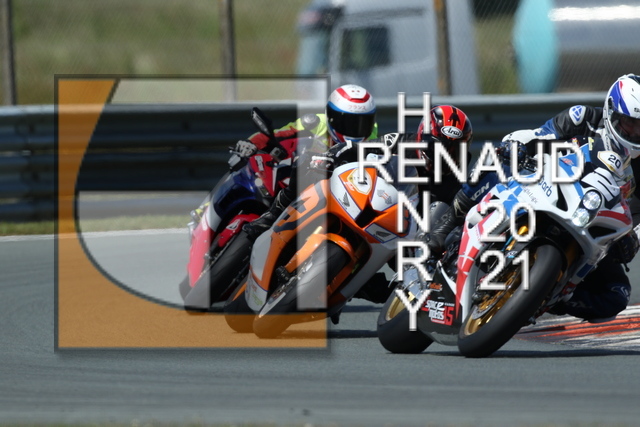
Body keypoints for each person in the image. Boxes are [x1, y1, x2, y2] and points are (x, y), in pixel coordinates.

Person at [423, 74, 640, 323]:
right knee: (496, 161)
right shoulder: (584, 118)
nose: (635, 131)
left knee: (617, 295)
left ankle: (551, 297)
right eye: (629, 122)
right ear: (611, 112)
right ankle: (447, 223)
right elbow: (541, 135)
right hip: (545, 189)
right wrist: (518, 146)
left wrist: (633, 239)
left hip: (592, 224)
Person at [312, 104, 474, 305]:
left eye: (455, 151)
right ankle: (281, 215)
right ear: (422, 137)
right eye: (437, 147)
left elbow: (450, 222)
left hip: (404, 232)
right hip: (369, 200)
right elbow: (359, 148)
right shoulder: (401, 141)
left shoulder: (459, 183)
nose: (446, 156)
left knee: (389, 291)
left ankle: (358, 286)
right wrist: (334, 154)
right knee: (316, 182)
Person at [236, 84, 378, 241]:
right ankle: (271, 215)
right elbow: (279, 135)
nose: (355, 129)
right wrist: (252, 143)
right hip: (300, 176)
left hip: (339, 190)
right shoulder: (315, 123)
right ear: (331, 117)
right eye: (348, 123)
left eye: (362, 123)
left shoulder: (373, 136)